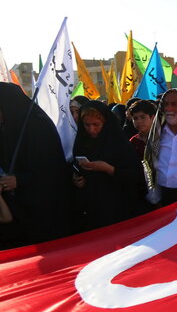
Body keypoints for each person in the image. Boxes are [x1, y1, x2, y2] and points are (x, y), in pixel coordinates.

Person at [0, 82, 72, 248]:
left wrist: (20, 180)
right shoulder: (9, 127)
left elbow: (52, 171)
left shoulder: (38, 127)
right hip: (16, 213)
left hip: (43, 213)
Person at [72, 101, 147, 231]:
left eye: (96, 124)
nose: (91, 129)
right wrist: (76, 179)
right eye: (86, 125)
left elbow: (135, 178)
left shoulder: (120, 144)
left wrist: (109, 169)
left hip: (118, 210)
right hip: (92, 212)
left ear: (106, 123)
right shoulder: (81, 142)